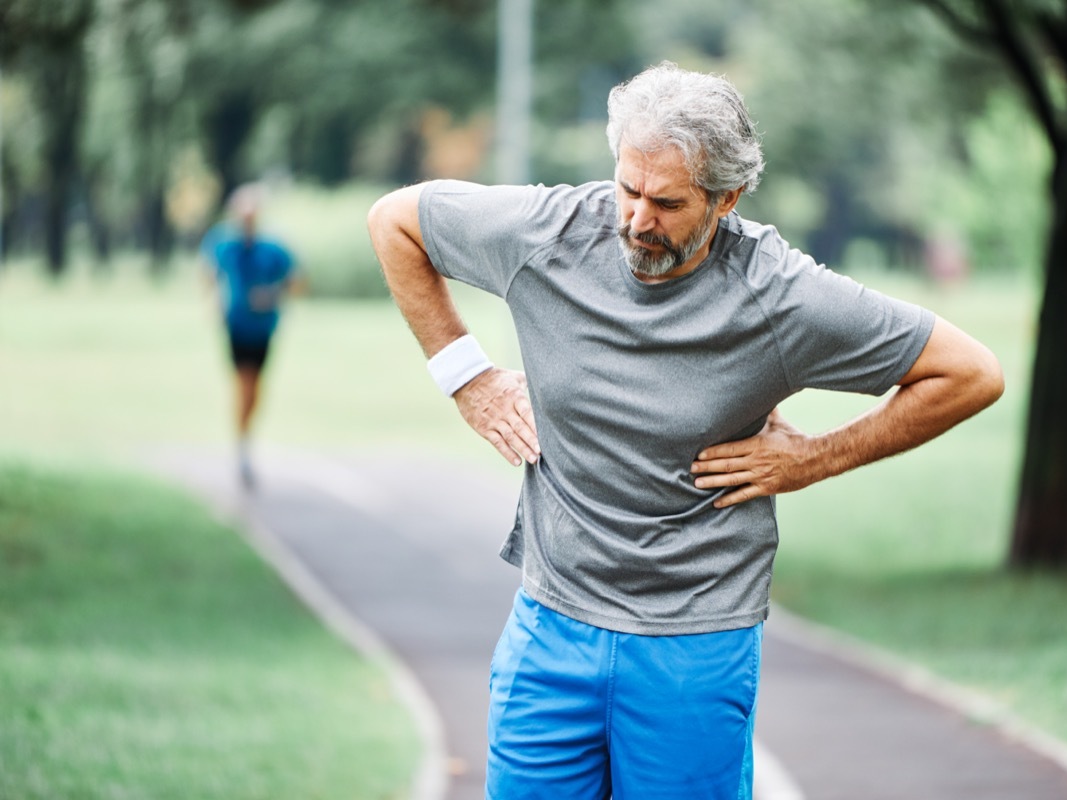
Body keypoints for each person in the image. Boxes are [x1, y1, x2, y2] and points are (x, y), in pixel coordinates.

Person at [367, 62, 1004, 800]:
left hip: (693, 648)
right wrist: (468, 378)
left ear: (726, 198)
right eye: (628, 189)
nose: (638, 220)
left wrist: (815, 459)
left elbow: (970, 372)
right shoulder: (550, 232)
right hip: (550, 630)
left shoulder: (779, 296)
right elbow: (395, 221)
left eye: (667, 203)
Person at [201, 183, 299, 489]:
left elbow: (297, 282)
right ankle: (243, 447)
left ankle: (244, 439)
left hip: (264, 328)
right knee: (244, 384)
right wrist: (214, 302)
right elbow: (208, 274)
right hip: (236, 326)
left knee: (255, 389)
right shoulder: (222, 242)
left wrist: (271, 295)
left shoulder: (274, 248)